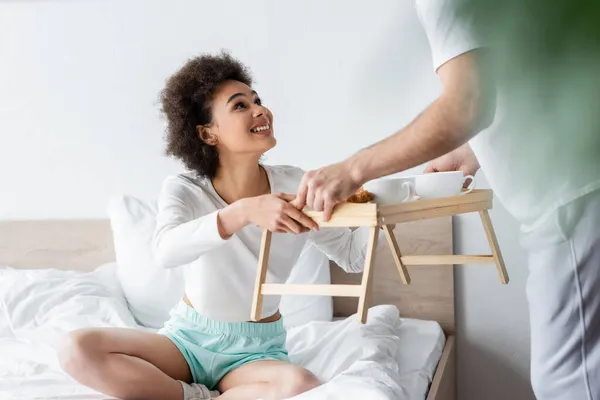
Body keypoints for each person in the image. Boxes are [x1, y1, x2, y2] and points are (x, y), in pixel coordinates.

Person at [295, 1, 600, 399]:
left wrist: (352, 170)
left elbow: (467, 103)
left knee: (567, 384)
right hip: (577, 183)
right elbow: (522, 73)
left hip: (572, 191)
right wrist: (476, 151)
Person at [58, 52, 378, 400]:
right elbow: (166, 250)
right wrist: (243, 212)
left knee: (300, 386)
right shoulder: (186, 189)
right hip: (187, 341)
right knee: (76, 348)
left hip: (256, 353)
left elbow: (351, 256)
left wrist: (386, 204)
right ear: (208, 133)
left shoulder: (296, 183)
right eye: (240, 106)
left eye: (258, 100)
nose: (260, 110)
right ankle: (194, 395)